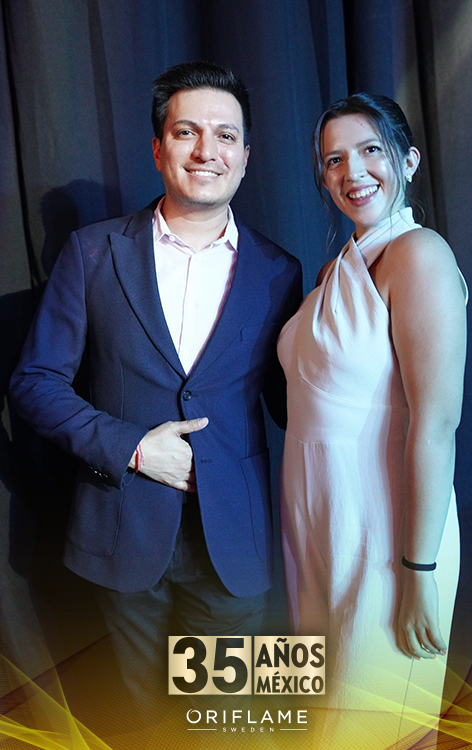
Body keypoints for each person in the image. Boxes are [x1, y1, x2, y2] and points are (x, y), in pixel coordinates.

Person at [9, 61, 302, 728]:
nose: (206, 150)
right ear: (158, 147)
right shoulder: (92, 253)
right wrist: (133, 448)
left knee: (228, 728)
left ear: (246, 156)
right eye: (186, 131)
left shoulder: (279, 270)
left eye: (225, 135)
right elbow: (34, 381)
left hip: (235, 544)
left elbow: (291, 403)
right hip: (120, 532)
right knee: (142, 726)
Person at [278, 94, 466, 746]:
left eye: (369, 150)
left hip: (387, 542)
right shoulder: (334, 270)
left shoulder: (419, 255)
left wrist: (417, 572)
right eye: (333, 159)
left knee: (387, 731)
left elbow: (435, 423)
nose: (351, 171)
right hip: (322, 535)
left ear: (407, 161)